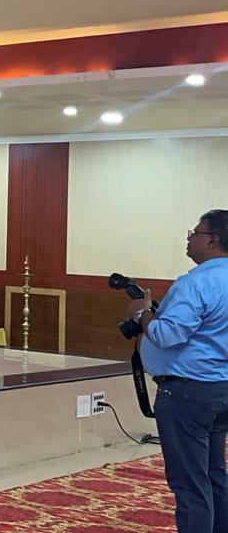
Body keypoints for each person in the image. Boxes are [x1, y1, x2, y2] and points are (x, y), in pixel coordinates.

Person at [130, 210, 228, 532]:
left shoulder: (196, 282)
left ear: (212, 241)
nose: (189, 238)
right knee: (214, 474)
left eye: (195, 233)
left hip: (188, 392)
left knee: (190, 484)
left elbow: (167, 335)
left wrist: (143, 314)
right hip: (221, 389)